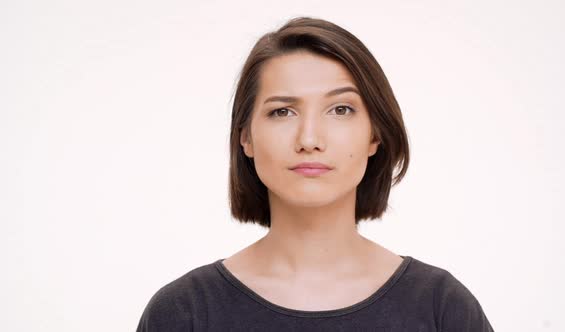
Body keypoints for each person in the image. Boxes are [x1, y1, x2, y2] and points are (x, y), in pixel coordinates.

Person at [136, 16, 494, 331]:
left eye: (340, 109)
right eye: (282, 112)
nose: (309, 139)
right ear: (246, 137)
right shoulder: (184, 314)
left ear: (375, 135)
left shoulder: (440, 308)